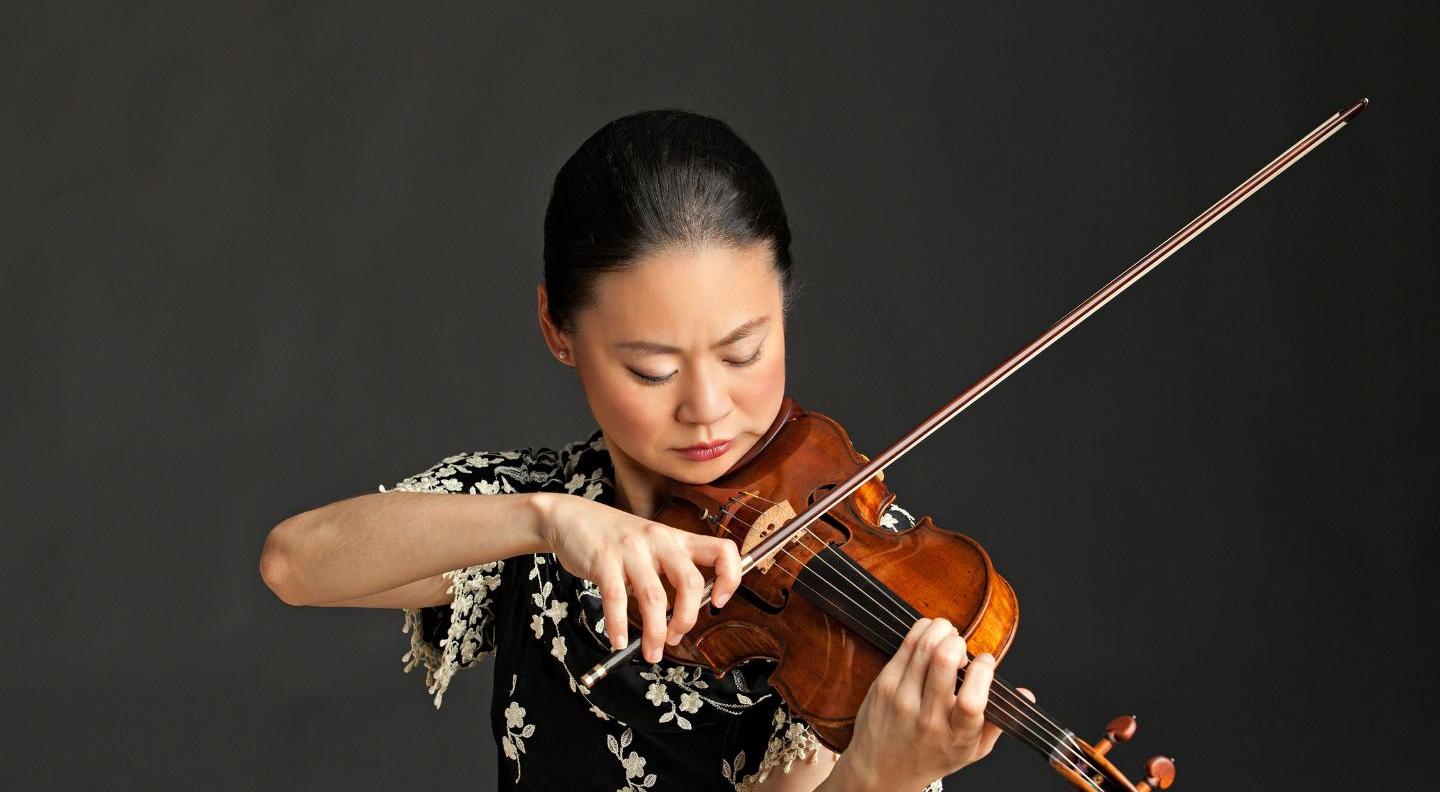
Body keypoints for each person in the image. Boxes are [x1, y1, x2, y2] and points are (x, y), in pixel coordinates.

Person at [259, 109, 1029, 791]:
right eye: (651, 369)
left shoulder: (846, 608)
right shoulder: (538, 517)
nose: (708, 408)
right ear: (557, 329)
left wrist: (877, 781)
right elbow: (294, 562)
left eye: (744, 351)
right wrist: (546, 520)